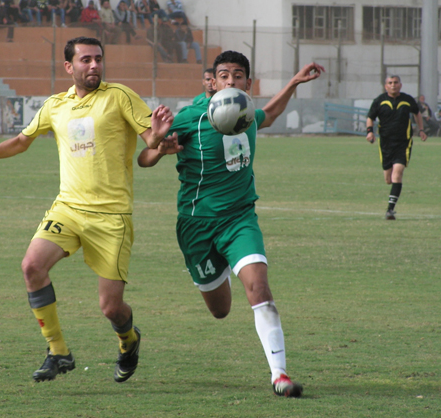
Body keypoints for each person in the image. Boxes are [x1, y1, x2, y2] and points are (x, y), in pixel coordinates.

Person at [0, 36, 174, 384]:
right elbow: (21, 141)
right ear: (69, 66)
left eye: (98, 59)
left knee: (111, 309)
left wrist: (159, 137)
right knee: (31, 266)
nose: (94, 66)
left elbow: (150, 141)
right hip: (68, 209)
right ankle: (58, 351)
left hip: (111, 217)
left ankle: (128, 341)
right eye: (86, 60)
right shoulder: (55, 105)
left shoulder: (120, 96)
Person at [137, 50, 324, 397]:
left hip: (240, 219)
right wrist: (159, 147)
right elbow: (143, 158)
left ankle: (279, 376)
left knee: (260, 289)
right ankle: (219, 270)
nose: (231, 82)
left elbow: (271, 113)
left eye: (238, 76)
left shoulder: (248, 114)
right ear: (213, 81)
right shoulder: (191, 117)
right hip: (197, 227)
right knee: (221, 310)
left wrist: (294, 83)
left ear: (247, 83)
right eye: (224, 76)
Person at [366, 75, 427, 220]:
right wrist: (369, 133)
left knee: (397, 174)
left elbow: (417, 114)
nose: (393, 85)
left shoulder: (407, 100)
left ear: (401, 84)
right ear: (385, 85)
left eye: (395, 82)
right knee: (389, 179)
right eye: (390, 83)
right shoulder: (379, 101)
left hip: (403, 143)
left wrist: (421, 130)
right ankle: (392, 199)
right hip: (386, 144)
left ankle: (390, 210)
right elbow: (370, 117)